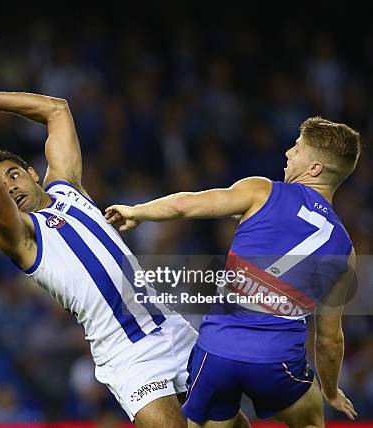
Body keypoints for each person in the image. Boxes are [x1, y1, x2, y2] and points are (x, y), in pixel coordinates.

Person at [0, 84, 213, 427]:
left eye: (14, 174)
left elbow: (57, 110)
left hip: (171, 325)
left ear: (32, 173)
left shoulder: (68, 187)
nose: (8, 185)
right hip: (129, 355)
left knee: (232, 425)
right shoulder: (20, 236)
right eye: (0, 182)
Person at [105, 117, 360, 427]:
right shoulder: (344, 249)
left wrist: (137, 212)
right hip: (275, 363)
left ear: (315, 168)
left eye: (297, 148)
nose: (288, 153)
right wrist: (331, 391)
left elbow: (187, 204)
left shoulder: (260, 191)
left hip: (216, 352)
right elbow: (329, 341)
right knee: (310, 417)